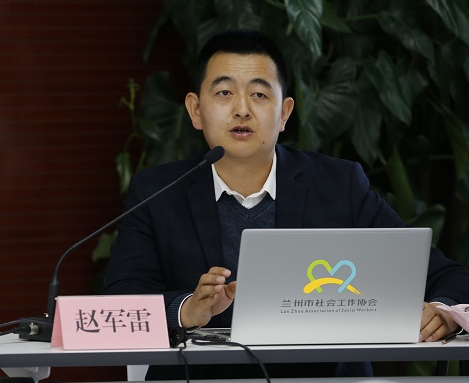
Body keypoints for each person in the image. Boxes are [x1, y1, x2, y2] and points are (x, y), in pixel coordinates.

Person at [102, 29, 469, 379]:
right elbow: (120, 302)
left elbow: (446, 275)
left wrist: (443, 311)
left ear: (284, 113)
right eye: (224, 93)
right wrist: (187, 310)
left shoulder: (338, 185)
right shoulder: (158, 192)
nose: (242, 110)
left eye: (259, 95)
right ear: (196, 110)